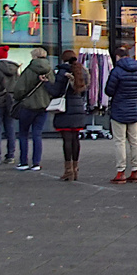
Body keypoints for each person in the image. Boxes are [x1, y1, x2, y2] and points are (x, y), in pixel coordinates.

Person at [105, 47, 137, 183]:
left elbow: (109, 91)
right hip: (134, 109)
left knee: (119, 141)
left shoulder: (116, 71)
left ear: (118, 56)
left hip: (119, 109)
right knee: (134, 141)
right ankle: (135, 170)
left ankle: (120, 172)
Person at [50, 51, 90, 181]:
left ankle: (68, 170)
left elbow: (55, 91)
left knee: (67, 140)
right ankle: (75, 169)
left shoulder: (62, 73)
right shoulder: (82, 71)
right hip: (78, 108)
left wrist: (45, 83)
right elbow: (84, 91)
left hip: (65, 109)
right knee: (75, 139)